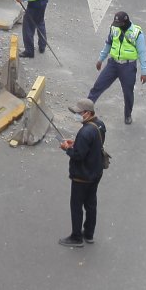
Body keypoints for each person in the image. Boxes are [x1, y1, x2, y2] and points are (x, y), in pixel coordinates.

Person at [87, 11, 146, 125]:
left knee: (128, 93)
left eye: (119, 24)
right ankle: (86, 109)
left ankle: (128, 115)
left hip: (128, 66)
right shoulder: (114, 29)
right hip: (113, 64)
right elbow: (108, 44)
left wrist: (144, 71)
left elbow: (142, 53)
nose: (117, 26)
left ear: (125, 22)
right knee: (98, 86)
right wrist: (101, 59)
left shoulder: (137, 33)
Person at [58, 98, 106, 248]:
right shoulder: (99, 125)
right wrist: (76, 143)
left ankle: (76, 237)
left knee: (76, 205)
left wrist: (67, 148)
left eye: (78, 113)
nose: (76, 115)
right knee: (91, 204)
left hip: (82, 176)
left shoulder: (85, 132)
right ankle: (89, 234)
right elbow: (93, 145)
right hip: (96, 172)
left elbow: (78, 155)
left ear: (87, 113)